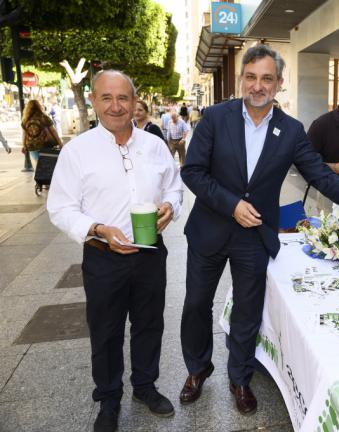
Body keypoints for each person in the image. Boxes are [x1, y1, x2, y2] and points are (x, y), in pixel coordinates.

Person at [178, 44, 339, 415]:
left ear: (278, 83)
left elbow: (321, 175)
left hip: (254, 235)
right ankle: (197, 370)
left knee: (249, 308)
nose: (257, 85)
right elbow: (192, 172)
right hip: (209, 230)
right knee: (196, 303)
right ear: (241, 79)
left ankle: (240, 377)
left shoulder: (291, 130)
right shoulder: (214, 118)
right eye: (250, 77)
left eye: (266, 78)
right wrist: (231, 204)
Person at [46, 70, 183, 432]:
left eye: (123, 98)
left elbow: (174, 186)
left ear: (135, 102)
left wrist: (170, 206)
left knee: (150, 323)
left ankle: (145, 386)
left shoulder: (154, 145)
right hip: (103, 256)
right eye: (106, 98)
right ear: (93, 101)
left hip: (151, 253)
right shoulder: (77, 151)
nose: (116, 106)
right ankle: (108, 398)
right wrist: (97, 229)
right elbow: (60, 207)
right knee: (105, 330)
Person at [21, 100, 63, 165]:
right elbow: (53, 131)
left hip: (31, 146)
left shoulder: (26, 119)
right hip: (45, 144)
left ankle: (40, 174)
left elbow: (24, 134)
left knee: (38, 165)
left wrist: (24, 146)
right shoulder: (44, 117)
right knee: (46, 165)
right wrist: (60, 143)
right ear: (39, 107)